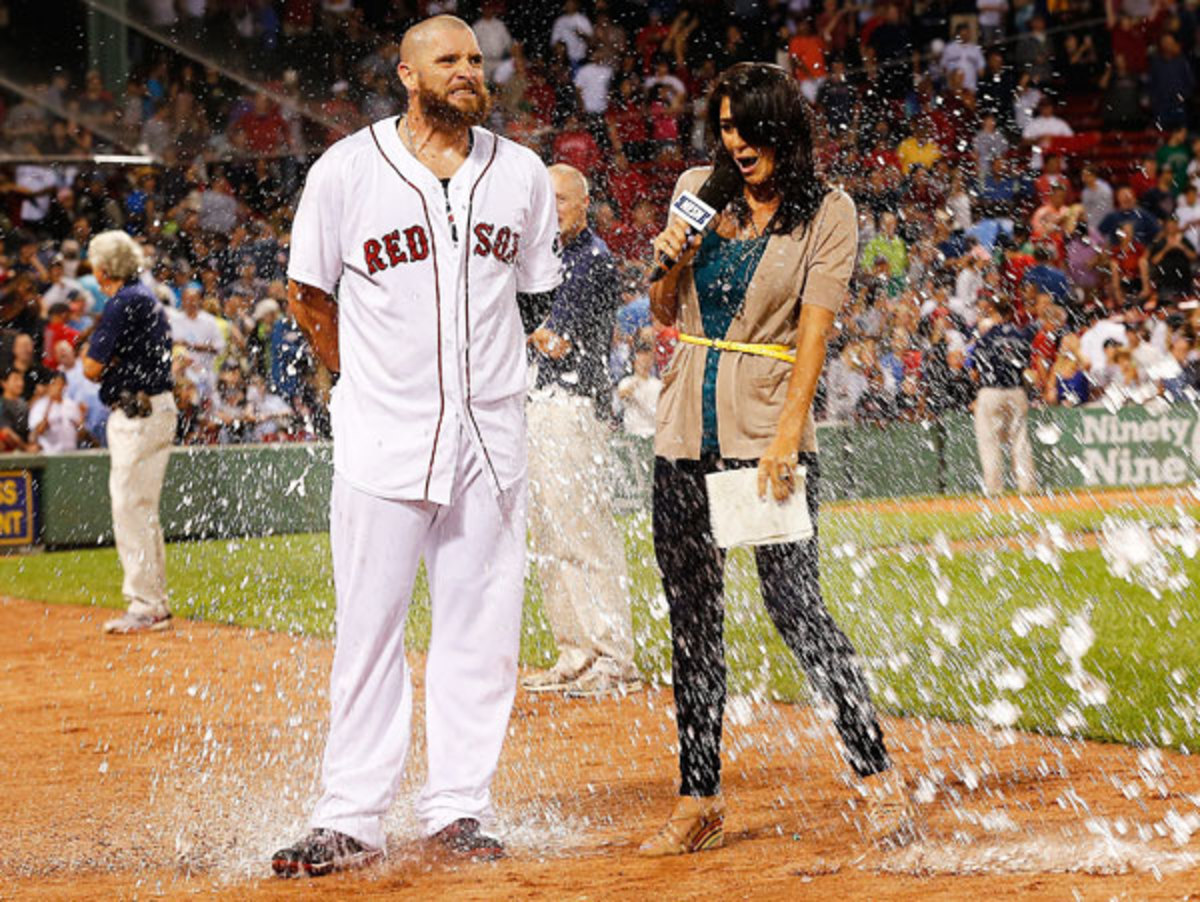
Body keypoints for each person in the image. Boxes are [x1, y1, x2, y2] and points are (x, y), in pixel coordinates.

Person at [271, 15, 562, 878]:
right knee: (369, 627)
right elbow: (307, 294)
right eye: (451, 59)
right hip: (383, 434)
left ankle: (459, 808)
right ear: (406, 72)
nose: (470, 71)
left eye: (477, 59)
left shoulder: (522, 175)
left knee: (482, 628)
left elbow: (534, 299)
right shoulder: (347, 168)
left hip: (491, 436)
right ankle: (350, 815)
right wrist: (356, 384)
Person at [640, 63, 913, 858]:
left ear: (783, 129)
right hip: (684, 428)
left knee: (795, 609)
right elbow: (663, 309)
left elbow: (815, 336)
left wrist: (789, 437)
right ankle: (699, 798)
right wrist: (669, 259)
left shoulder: (829, 211)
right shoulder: (697, 187)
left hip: (766, 431)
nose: (737, 143)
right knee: (692, 620)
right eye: (725, 126)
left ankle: (874, 775)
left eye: (750, 127)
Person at [522, 164, 639, 696]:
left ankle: (614, 656)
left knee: (585, 532)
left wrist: (508, 328)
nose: (552, 210)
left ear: (584, 204)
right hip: (540, 402)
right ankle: (575, 649)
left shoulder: (590, 259)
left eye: (561, 201)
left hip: (572, 403)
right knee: (550, 533)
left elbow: (556, 341)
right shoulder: (543, 258)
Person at [82, 230, 176, 633]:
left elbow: (90, 367)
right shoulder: (145, 296)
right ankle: (155, 601)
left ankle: (146, 604)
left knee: (129, 507)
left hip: (138, 412)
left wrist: (111, 356)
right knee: (142, 508)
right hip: (157, 406)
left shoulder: (123, 302)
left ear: (104, 269)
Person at [971, 297, 1037, 495]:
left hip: (991, 391)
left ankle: (994, 489)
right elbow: (1027, 368)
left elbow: (974, 372)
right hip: (1016, 391)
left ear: (994, 313)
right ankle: (1027, 487)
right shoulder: (1021, 336)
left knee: (989, 442)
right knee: (1020, 441)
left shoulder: (986, 337)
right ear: (1011, 313)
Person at [28, 370, 83, 453]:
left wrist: (81, 422)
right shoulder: (39, 406)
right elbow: (36, 433)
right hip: (49, 455)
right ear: (48, 385)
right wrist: (48, 408)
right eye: (54, 384)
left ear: (65, 385)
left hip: (71, 453)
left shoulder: (72, 405)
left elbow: (81, 433)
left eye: (60, 383)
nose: (58, 387)